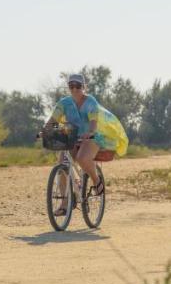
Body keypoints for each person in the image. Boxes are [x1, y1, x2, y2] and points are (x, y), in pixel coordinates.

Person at [43, 74, 119, 216]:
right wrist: (45, 131)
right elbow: (53, 121)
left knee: (83, 158)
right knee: (62, 166)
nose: (75, 89)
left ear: (84, 87)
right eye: (71, 86)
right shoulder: (64, 103)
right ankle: (66, 203)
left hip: (91, 137)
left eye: (78, 86)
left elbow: (93, 121)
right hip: (71, 136)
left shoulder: (90, 102)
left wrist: (90, 132)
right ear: (68, 88)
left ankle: (97, 182)